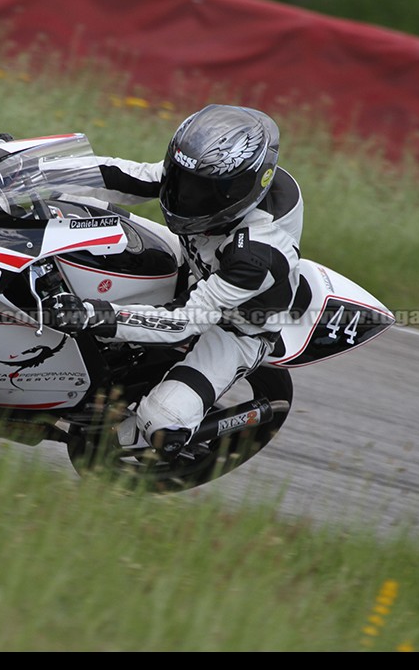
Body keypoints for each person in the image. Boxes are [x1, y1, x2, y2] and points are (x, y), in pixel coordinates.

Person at [44, 104, 304, 461]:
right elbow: (127, 177)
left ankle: (171, 433)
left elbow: (184, 322)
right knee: (67, 209)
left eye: (202, 191)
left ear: (240, 193)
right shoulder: (208, 177)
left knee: (161, 424)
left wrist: (94, 315)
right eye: (183, 180)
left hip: (236, 325)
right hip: (190, 263)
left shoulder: (258, 254)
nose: (185, 197)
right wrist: (33, 172)